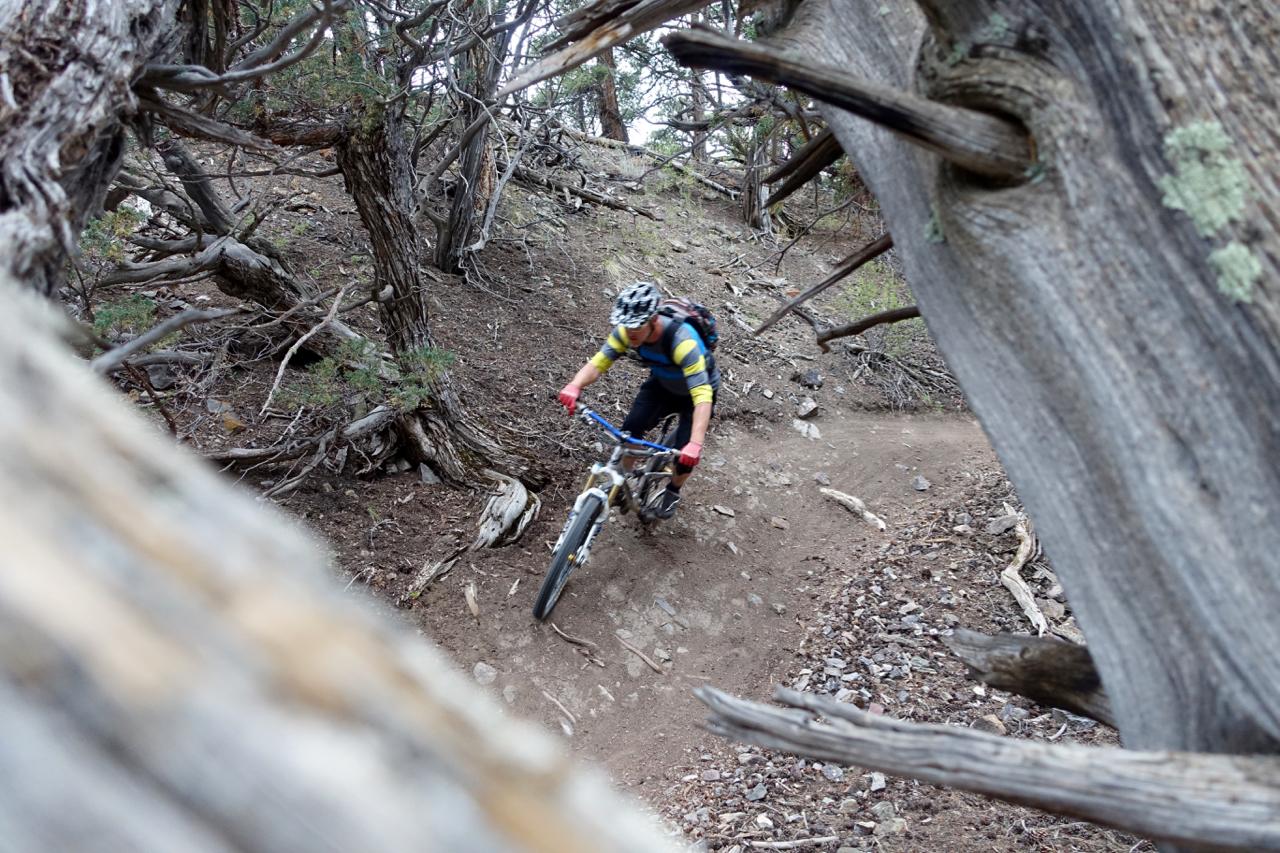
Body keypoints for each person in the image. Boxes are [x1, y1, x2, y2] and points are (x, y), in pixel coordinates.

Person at [557, 281, 718, 519]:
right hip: (662, 384)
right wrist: (574, 385)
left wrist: (695, 444)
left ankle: (673, 491)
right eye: (626, 326)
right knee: (629, 433)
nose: (630, 333)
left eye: (636, 327)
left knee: (684, 456)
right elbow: (599, 362)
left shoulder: (683, 342)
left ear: (653, 320)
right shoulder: (626, 332)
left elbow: (702, 394)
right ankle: (622, 483)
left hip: (696, 394)